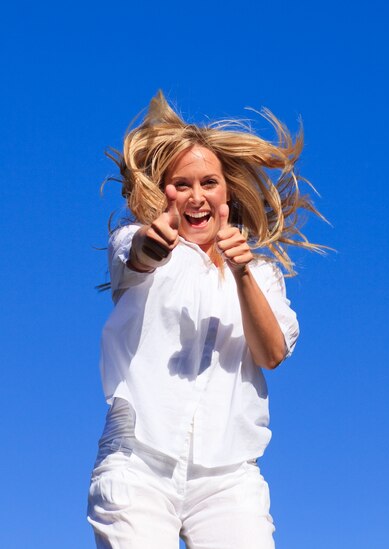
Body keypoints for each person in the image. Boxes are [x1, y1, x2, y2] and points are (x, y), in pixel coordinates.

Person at [87, 91, 323, 549]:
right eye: (181, 184)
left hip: (229, 476)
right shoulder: (136, 238)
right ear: (162, 191)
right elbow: (137, 258)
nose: (196, 197)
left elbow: (272, 353)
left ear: (226, 192)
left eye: (208, 183)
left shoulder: (262, 274)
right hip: (137, 461)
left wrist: (241, 275)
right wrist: (152, 248)